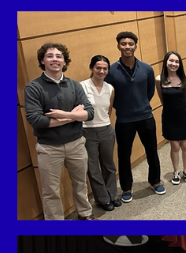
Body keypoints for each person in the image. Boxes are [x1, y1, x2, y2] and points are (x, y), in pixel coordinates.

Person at [24, 42, 95, 220]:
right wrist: (73, 116)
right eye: (50, 56)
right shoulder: (33, 88)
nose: (55, 59)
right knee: (50, 190)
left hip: (76, 143)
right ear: (42, 60)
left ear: (64, 61)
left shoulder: (74, 85)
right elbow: (36, 120)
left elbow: (90, 113)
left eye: (58, 56)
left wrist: (63, 115)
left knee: (81, 183)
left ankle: (85, 214)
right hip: (49, 148)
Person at [108, 31, 163, 202]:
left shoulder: (146, 68)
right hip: (124, 120)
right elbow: (110, 94)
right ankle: (126, 187)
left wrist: (141, 105)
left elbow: (149, 91)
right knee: (124, 155)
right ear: (118, 46)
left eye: (130, 44)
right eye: (123, 44)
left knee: (152, 151)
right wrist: (123, 108)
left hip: (145, 116)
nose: (127, 47)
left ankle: (155, 181)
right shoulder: (111, 71)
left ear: (135, 46)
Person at [80, 54, 118, 212]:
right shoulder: (82, 86)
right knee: (93, 167)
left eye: (105, 68)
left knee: (109, 165)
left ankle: (113, 194)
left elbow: (108, 110)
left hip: (106, 129)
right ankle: (102, 198)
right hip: (87, 131)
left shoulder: (110, 88)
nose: (101, 71)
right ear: (92, 68)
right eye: (98, 68)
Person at [157, 51, 186, 184]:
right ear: (166, 62)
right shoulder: (159, 79)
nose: (174, 64)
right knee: (175, 146)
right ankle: (176, 172)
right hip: (169, 116)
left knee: (185, 145)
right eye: (171, 61)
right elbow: (162, 100)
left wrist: (180, 111)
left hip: (183, 115)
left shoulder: (185, 79)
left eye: (177, 62)